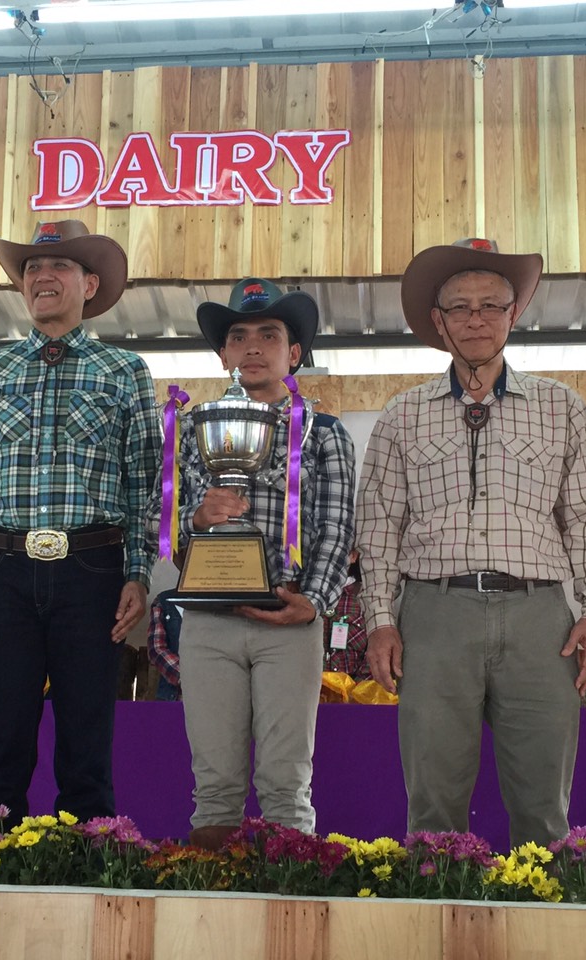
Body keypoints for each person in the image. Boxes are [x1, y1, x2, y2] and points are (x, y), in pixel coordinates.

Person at [356, 239, 586, 847]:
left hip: (540, 618)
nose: (475, 318)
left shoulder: (560, 407)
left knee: (544, 806)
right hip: (434, 614)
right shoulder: (402, 415)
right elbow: (378, 524)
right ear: (438, 320)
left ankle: (542, 900)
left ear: (512, 314)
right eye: (460, 307)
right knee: (433, 803)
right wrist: (380, 620)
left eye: (490, 306)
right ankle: (436, 897)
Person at [0, 220, 160, 825]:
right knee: (0, 734)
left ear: (89, 284)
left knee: (87, 738)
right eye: (31, 268)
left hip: (94, 568)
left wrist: (137, 574)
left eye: (59, 265)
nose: (42, 276)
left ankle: (87, 857)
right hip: (3, 569)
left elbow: (143, 483)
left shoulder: (125, 371)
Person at [171, 277, 355, 850]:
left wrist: (313, 602)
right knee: (214, 786)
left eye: (269, 334)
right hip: (208, 619)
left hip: (288, 617)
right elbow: (166, 526)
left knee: (286, 784)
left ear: (293, 353)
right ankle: (214, 899)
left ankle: (289, 893)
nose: (252, 346)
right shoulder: (191, 429)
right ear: (223, 354)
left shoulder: (324, 432)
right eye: (239, 336)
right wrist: (196, 519)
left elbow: (338, 526)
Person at [323, 549, 369, 681]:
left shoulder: (368, 597)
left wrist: (356, 690)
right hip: (304, 688)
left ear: (353, 555)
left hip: (354, 690)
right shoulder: (297, 596)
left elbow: (375, 655)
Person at [147, 589, 184, 701]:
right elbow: (156, 649)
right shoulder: (163, 601)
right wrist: (186, 677)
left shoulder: (225, 599)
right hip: (174, 696)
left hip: (220, 691)